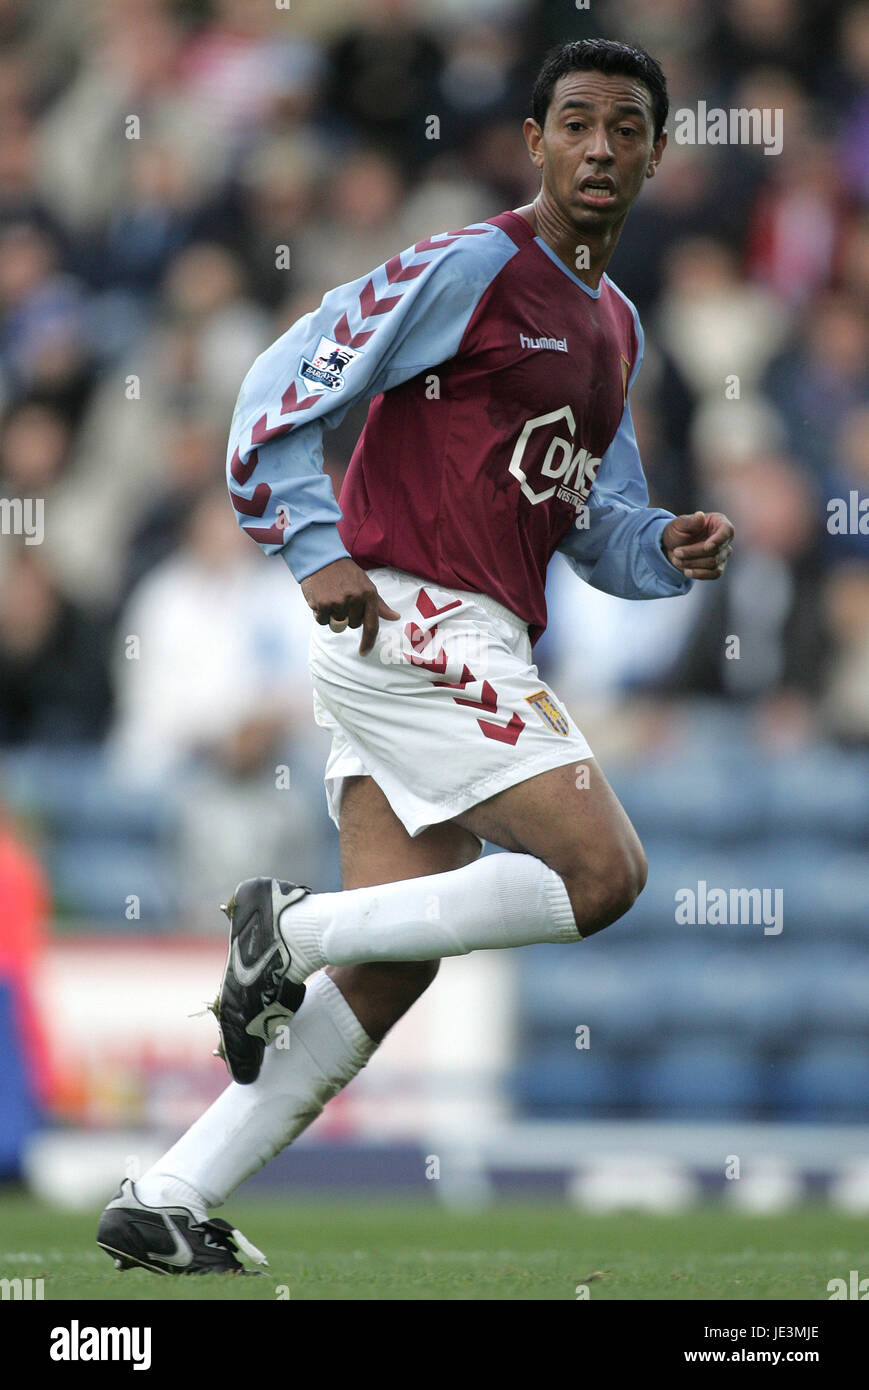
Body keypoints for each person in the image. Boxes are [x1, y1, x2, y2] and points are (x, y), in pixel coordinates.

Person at [97, 38, 734, 1275]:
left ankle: (168, 1193)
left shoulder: (613, 324)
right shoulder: (468, 266)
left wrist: (667, 545)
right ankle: (291, 928)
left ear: (655, 153)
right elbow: (280, 386)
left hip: (448, 628)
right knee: (602, 875)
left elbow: (591, 522)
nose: (599, 147)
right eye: (576, 123)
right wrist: (308, 540)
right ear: (535, 141)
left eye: (625, 128)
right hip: (412, 616)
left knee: (391, 970)